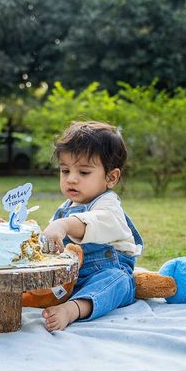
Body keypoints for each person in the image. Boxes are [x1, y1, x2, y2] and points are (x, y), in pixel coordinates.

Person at [38, 120, 143, 331]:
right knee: (37, 277)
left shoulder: (107, 204)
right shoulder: (64, 209)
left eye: (83, 172)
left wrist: (64, 225)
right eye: (65, 171)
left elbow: (98, 221)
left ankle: (74, 308)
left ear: (111, 177)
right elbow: (48, 241)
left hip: (106, 270)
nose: (72, 179)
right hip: (70, 275)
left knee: (119, 282)